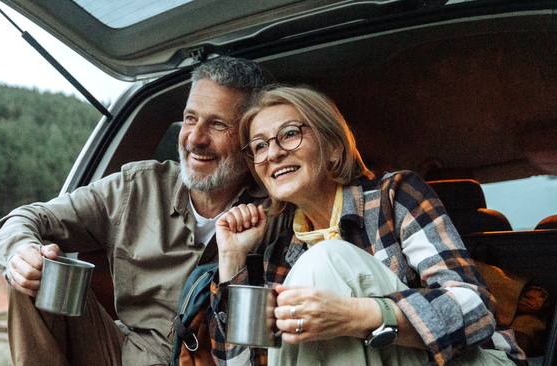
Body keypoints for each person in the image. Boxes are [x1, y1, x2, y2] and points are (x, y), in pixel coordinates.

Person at [208, 86, 526, 366]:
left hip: (475, 360)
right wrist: (231, 261)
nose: (273, 153)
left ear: (333, 145)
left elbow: (476, 309)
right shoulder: (279, 252)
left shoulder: (394, 196)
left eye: (290, 133)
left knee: (324, 259)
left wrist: (353, 315)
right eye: (259, 146)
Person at [0, 56, 273, 366]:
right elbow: (24, 219)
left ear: (249, 137)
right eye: (190, 118)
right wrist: (21, 253)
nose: (195, 138)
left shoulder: (277, 211)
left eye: (217, 124)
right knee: (32, 275)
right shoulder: (137, 186)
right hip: (123, 354)